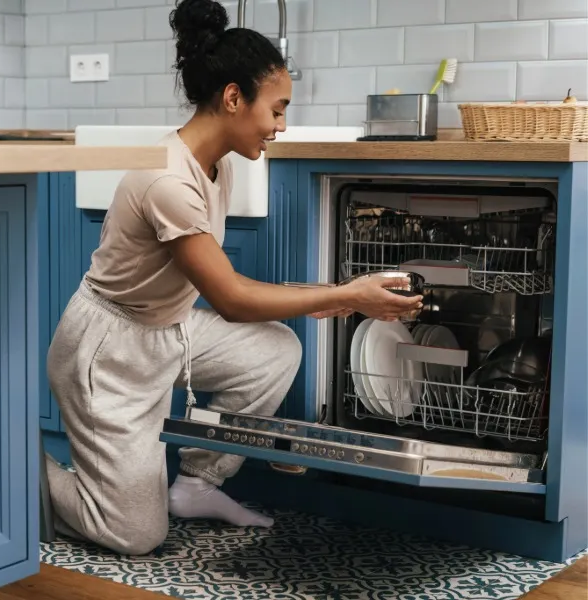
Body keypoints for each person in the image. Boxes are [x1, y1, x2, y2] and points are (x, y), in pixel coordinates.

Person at [44, 0, 423, 556]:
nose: (281, 125)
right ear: (232, 98)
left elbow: (219, 281)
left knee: (274, 350)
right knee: (134, 535)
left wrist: (328, 297)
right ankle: (10, 458)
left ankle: (198, 483)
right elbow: (230, 298)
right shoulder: (166, 179)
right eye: (277, 109)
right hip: (109, 355)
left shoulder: (214, 163)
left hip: (167, 332)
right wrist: (347, 294)